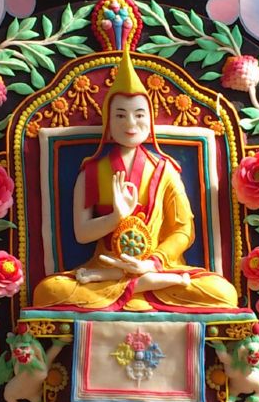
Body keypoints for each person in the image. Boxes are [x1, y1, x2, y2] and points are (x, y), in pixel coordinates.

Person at [32, 48, 237, 312]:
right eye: (120, 115)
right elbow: (82, 234)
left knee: (223, 292)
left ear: (149, 119)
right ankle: (142, 284)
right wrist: (116, 217)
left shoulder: (166, 170)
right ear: (108, 121)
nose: (130, 123)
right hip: (104, 270)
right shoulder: (92, 170)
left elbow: (183, 231)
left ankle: (140, 281)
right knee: (49, 291)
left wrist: (152, 263)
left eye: (139, 115)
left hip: (158, 268)